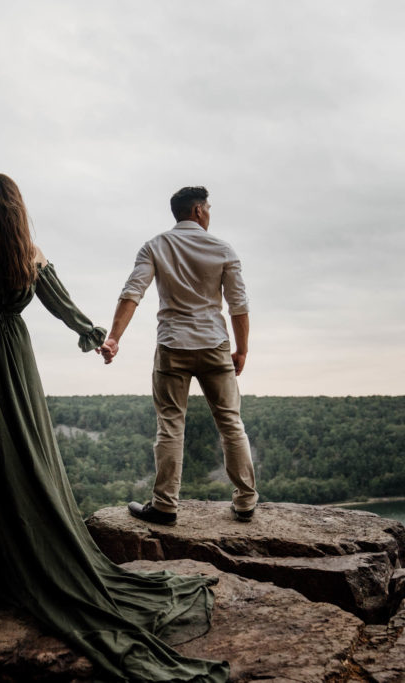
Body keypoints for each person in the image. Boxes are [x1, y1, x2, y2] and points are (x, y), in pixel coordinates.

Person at [0, 172, 229, 682]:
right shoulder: (30, 251)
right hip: (16, 355)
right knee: (20, 452)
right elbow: (60, 305)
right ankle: (10, 555)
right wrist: (96, 337)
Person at [100, 186, 258, 526]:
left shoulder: (155, 246)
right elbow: (238, 306)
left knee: (171, 425)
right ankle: (245, 501)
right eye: (209, 208)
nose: (210, 213)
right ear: (199, 211)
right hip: (214, 344)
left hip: (173, 345)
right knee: (230, 422)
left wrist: (114, 338)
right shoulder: (223, 249)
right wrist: (241, 349)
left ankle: (165, 506)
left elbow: (132, 293)